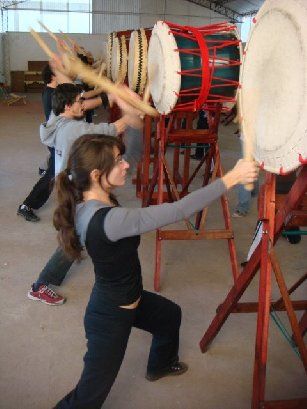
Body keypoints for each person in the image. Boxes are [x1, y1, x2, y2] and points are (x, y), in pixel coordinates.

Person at [52, 133, 258, 408]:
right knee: (88, 397)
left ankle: (160, 364)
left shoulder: (85, 202)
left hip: (128, 298)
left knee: (169, 315)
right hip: (111, 316)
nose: (126, 165)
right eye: (118, 161)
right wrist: (230, 178)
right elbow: (178, 209)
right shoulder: (113, 220)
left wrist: (132, 121)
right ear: (97, 173)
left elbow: (134, 156)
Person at [27, 83, 142, 305]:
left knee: (76, 234)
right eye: (80, 102)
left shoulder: (56, 119)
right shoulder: (74, 130)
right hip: (76, 191)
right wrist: (129, 107)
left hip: (67, 185)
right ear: (69, 106)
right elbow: (117, 127)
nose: (84, 105)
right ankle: (40, 285)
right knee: (74, 238)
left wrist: (111, 95)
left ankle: (75, 248)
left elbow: (87, 106)